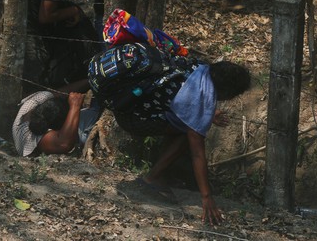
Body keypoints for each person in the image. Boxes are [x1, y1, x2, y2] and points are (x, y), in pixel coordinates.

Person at [94, 48, 251, 225]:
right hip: (134, 118)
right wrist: (206, 197)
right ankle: (153, 176)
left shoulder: (198, 68)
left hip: (129, 108)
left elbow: (182, 98)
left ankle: (163, 173)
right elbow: (197, 154)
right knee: (187, 133)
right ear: (227, 91)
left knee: (183, 126)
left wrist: (207, 113)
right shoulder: (200, 95)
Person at [12, 90, 101, 156]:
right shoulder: (34, 140)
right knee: (86, 130)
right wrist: (75, 106)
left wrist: (88, 81)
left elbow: (62, 92)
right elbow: (64, 144)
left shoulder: (35, 102)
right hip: (67, 135)